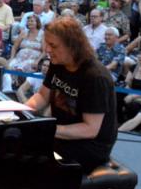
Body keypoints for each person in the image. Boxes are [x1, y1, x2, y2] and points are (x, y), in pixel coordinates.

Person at [26, 16, 117, 175]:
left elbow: (90, 129)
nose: (47, 49)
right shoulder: (58, 63)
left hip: (89, 147)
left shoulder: (95, 77)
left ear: (72, 46)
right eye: (47, 44)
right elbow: (42, 96)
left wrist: (48, 130)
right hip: (62, 135)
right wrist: (21, 112)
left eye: (53, 45)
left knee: (30, 161)